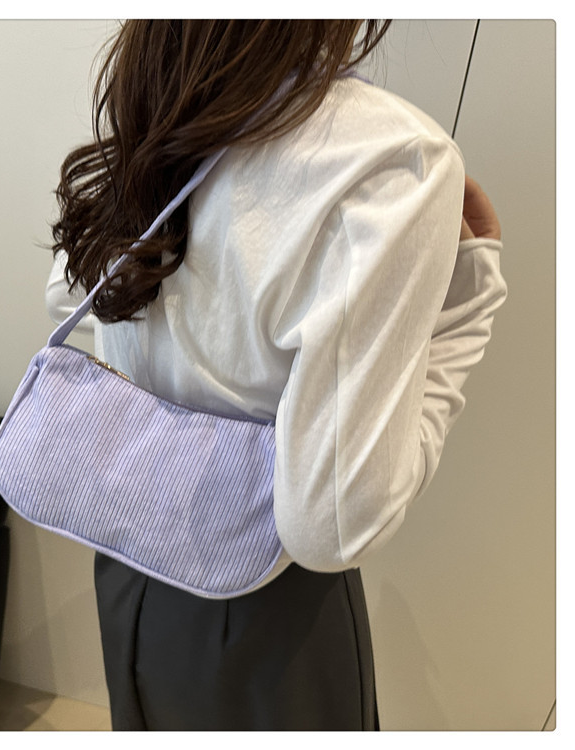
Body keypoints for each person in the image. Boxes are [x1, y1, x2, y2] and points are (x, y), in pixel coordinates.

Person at [44, 20, 507, 731]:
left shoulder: (158, 95)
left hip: (129, 555)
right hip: (261, 604)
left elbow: (70, 299)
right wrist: (466, 310)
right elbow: (330, 526)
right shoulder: (392, 160)